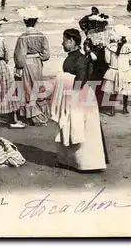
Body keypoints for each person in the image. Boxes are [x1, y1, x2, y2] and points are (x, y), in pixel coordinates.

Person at [50, 28, 108, 172]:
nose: (62, 44)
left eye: (64, 41)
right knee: (76, 127)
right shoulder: (76, 57)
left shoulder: (80, 59)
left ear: (71, 41)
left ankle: (87, 163)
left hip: (79, 96)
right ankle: (72, 161)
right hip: (77, 95)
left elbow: (79, 83)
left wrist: (62, 80)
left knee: (81, 128)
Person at [14, 6, 50, 126]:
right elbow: (46, 55)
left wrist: (18, 67)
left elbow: (20, 57)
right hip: (38, 63)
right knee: (38, 86)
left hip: (27, 64)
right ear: (36, 21)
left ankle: (31, 116)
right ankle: (41, 112)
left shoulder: (23, 37)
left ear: (25, 21)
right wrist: (39, 56)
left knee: (28, 88)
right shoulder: (42, 35)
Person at [102, 24, 131, 116]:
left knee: (112, 92)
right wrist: (125, 65)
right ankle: (125, 108)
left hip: (113, 71)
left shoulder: (109, 47)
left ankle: (112, 110)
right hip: (125, 71)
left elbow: (107, 60)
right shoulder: (130, 47)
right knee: (125, 91)